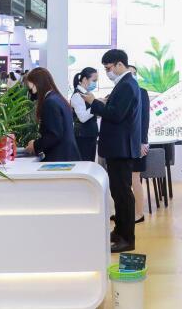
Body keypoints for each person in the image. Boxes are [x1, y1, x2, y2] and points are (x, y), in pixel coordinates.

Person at [80, 49, 141, 254]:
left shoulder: (127, 85)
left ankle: (127, 238)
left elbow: (116, 115)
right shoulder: (124, 84)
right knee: (118, 192)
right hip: (118, 147)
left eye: (108, 68)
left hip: (121, 148)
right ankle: (120, 231)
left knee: (123, 194)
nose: (108, 72)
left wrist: (94, 103)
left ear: (119, 64)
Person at [24, 68, 80, 162]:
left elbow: (54, 135)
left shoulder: (50, 102)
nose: (32, 92)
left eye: (31, 88)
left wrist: (35, 145)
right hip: (67, 155)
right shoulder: (57, 98)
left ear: (37, 84)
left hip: (60, 158)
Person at [128, 65, 150, 223]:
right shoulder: (121, 91)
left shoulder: (142, 92)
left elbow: (144, 119)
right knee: (126, 180)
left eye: (134, 74)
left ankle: (139, 212)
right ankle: (129, 211)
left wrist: (142, 142)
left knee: (135, 178)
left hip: (138, 143)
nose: (132, 76)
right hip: (124, 143)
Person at [70, 68, 99, 162]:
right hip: (83, 137)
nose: (95, 83)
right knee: (85, 163)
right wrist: (96, 105)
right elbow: (82, 117)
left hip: (90, 135)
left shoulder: (87, 94)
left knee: (90, 162)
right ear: (85, 79)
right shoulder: (77, 96)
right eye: (94, 80)